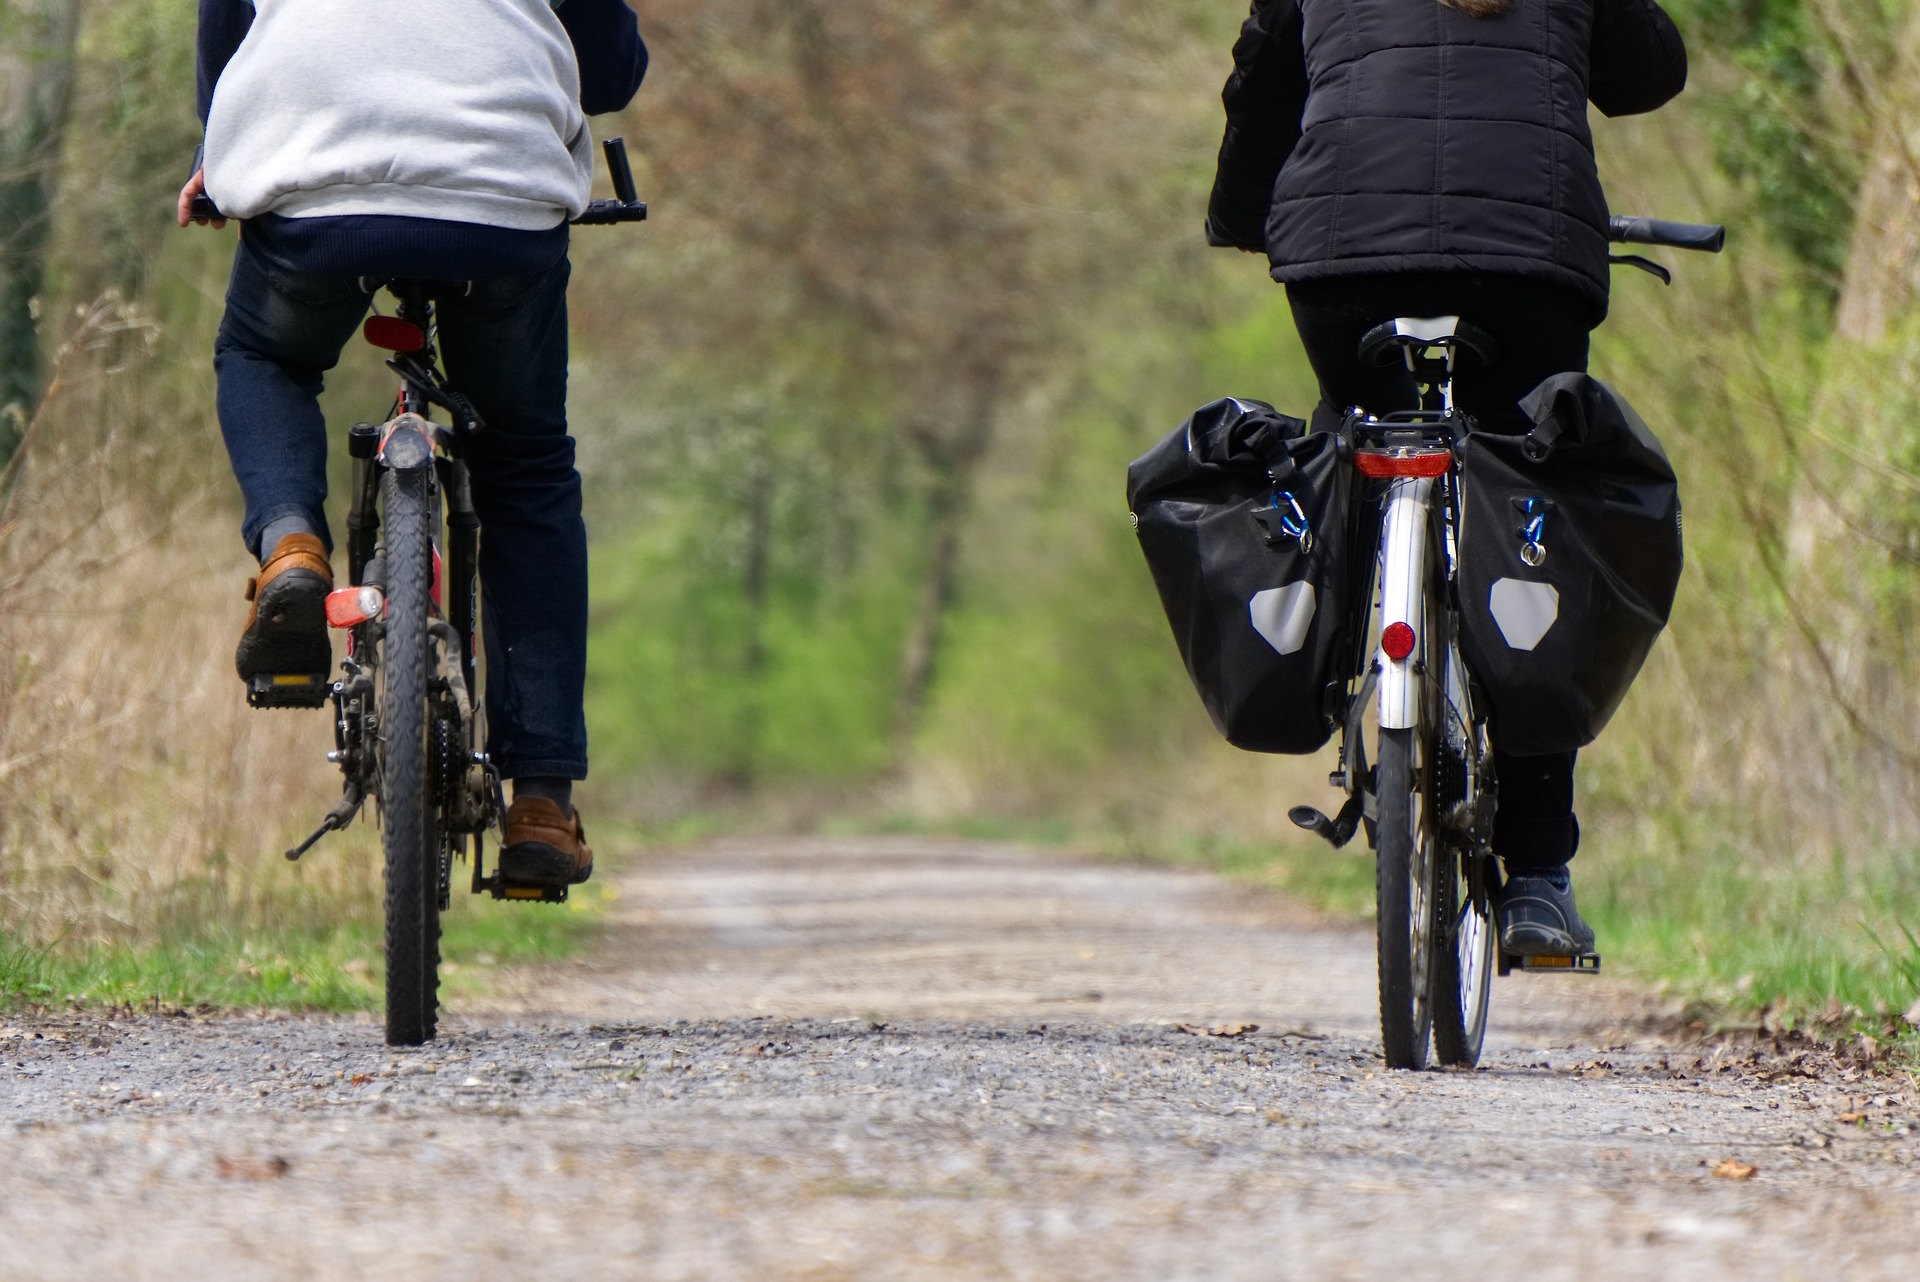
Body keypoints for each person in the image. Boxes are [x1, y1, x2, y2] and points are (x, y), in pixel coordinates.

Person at [1204, 0, 1687, 955]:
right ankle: (1539, 878)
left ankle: (1358, 662)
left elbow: (1261, 89)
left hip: (1343, 265)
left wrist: (1244, 216)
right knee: (1536, 506)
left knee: (1352, 446)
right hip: (1529, 269)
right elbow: (1647, 77)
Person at [181, 0, 647, 888]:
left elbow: (226, 28)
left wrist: (219, 152)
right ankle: (542, 804)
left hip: (313, 181)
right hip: (498, 203)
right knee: (525, 465)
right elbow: (611, 73)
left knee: (263, 356)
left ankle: (290, 546)